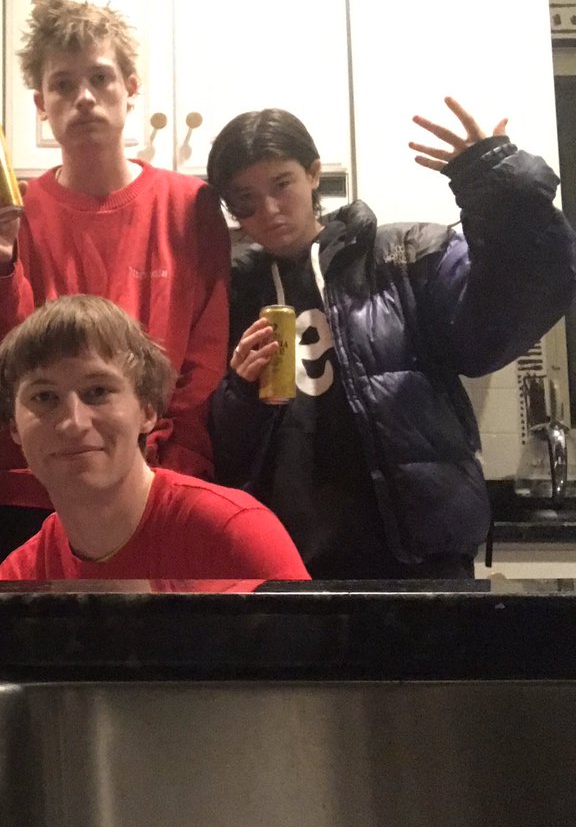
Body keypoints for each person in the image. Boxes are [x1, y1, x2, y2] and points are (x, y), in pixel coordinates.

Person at [207, 100, 576, 579]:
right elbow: (224, 452)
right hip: (283, 564)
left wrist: (500, 185)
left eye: (282, 184)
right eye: (246, 200)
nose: (270, 210)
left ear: (313, 174)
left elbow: (501, 322)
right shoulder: (229, 294)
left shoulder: (403, 256)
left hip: (418, 561)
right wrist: (240, 393)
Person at [0, 0, 230, 576]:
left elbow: (205, 357)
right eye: (63, 85)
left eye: (100, 78)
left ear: (130, 87)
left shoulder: (190, 206)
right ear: (41, 104)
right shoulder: (14, 210)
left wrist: (148, 452)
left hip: (163, 480)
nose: (83, 97)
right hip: (31, 487)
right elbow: (14, 356)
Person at [0, 296, 307, 581]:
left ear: (148, 410)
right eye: (44, 397)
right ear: (13, 428)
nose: (73, 423)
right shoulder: (18, 579)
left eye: (98, 391)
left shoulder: (235, 535)